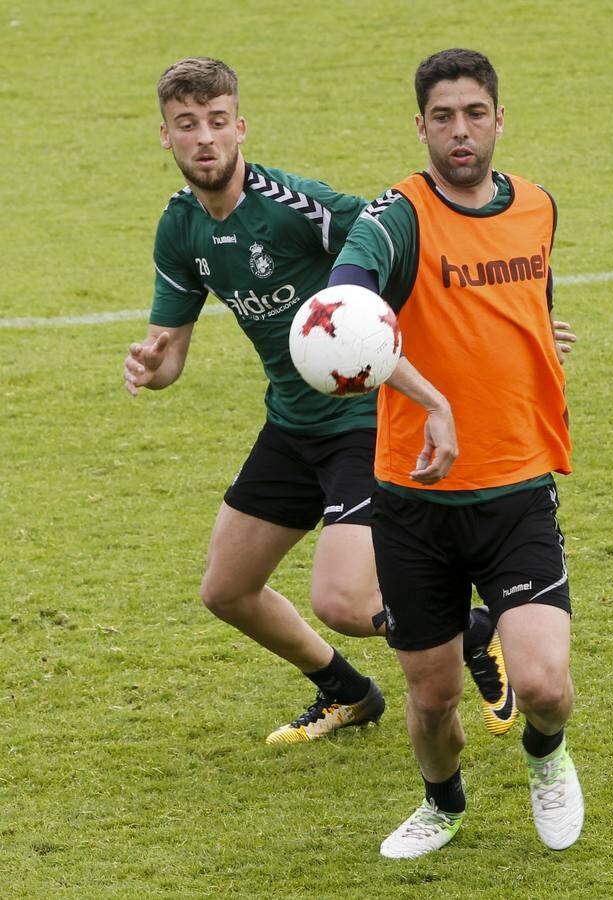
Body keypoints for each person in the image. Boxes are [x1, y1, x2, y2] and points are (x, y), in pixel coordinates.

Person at [123, 57, 545, 745]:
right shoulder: (180, 229)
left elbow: (412, 235)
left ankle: (473, 628)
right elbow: (168, 349)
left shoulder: (295, 206)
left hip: (363, 422)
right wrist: (150, 363)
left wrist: (503, 305)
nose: (205, 139)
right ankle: (348, 694)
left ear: (241, 128)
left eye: (218, 122)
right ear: (165, 136)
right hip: (291, 424)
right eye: (187, 125)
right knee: (226, 591)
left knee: (348, 601)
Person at [328, 48, 584, 856]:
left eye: (475, 113)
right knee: (431, 698)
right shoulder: (393, 218)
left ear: (500, 118)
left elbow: (522, 296)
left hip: (514, 486)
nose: (460, 131)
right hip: (413, 503)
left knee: (544, 684)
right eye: (443, 117)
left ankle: (546, 757)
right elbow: (344, 308)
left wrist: (535, 337)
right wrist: (433, 398)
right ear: (420, 127)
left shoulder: (537, 205)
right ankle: (442, 803)